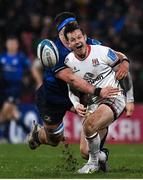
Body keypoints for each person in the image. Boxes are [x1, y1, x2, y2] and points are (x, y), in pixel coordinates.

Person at [28, 12, 130, 170]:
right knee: (54, 139)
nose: (73, 34)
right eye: (67, 31)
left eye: (75, 27)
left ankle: (98, 155)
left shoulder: (88, 42)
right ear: (61, 33)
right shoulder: (54, 51)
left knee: (86, 148)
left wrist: (124, 61)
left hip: (82, 95)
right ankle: (38, 135)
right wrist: (98, 91)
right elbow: (73, 80)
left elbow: (111, 55)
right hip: (53, 97)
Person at [64, 23, 130, 173]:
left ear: (85, 37)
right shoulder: (68, 61)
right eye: (73, 39)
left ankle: (93, 164)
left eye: (79, 37)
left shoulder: (102, 52)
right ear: (68, 44)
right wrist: (75, 103)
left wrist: (130, 99)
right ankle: (102, 157)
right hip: (94, 104)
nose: (78, 41)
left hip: (114, 96)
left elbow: (124, 67)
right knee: (85, 151)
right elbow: (71, 87)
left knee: (89, 125)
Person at [0, 36, 31, 141]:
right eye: (10, 43)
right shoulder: (2, 58)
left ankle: (3, 135)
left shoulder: (21, 57)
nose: (12, 45)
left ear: (17, 45)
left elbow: (29, 69)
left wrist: (28, 79)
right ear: (6, 44)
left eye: (14, 43)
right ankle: (30, 133)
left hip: (15, 89)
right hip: (4, 89)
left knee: (6, 109)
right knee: (13, 114)